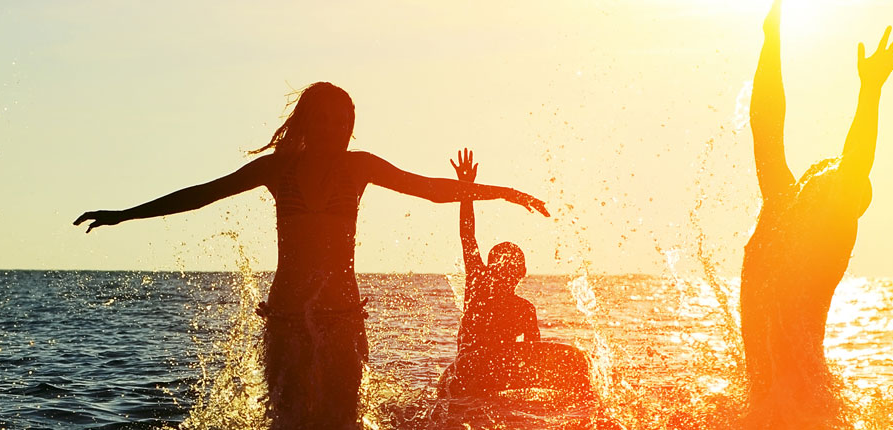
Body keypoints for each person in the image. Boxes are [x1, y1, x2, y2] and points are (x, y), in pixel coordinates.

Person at [74, 82, 552, 429]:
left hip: (344, 317)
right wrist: (124, 214)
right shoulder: (277, 169)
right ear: (306, 122)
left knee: (343, 420)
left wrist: (505, 192)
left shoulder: (358, 166)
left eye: (343, 122)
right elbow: (203, 194)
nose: (335, 129)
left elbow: (428, 190)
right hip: (285, 317)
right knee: (288, 420)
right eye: (324, 119)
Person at [741, 1, 893, 427]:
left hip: (803, 396)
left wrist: (871, 90)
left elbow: (857, 160)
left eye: (839, 179)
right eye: (825, 168)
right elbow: (766, 125)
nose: (827, 170)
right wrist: (771, 40)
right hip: (770, 395)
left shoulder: (829, 235)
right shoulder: (784, 209)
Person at [437, 149, 591, 400]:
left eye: (509, 269)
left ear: (520, 274)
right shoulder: (478, 284)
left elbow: (532, 355)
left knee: (577, 359)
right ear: (489, 269)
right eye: (501, 268)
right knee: (472, 364)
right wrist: (466, 189)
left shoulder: (523, 309)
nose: (504, 274)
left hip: (493, 373)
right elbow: (467, 234)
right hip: (467, 371)